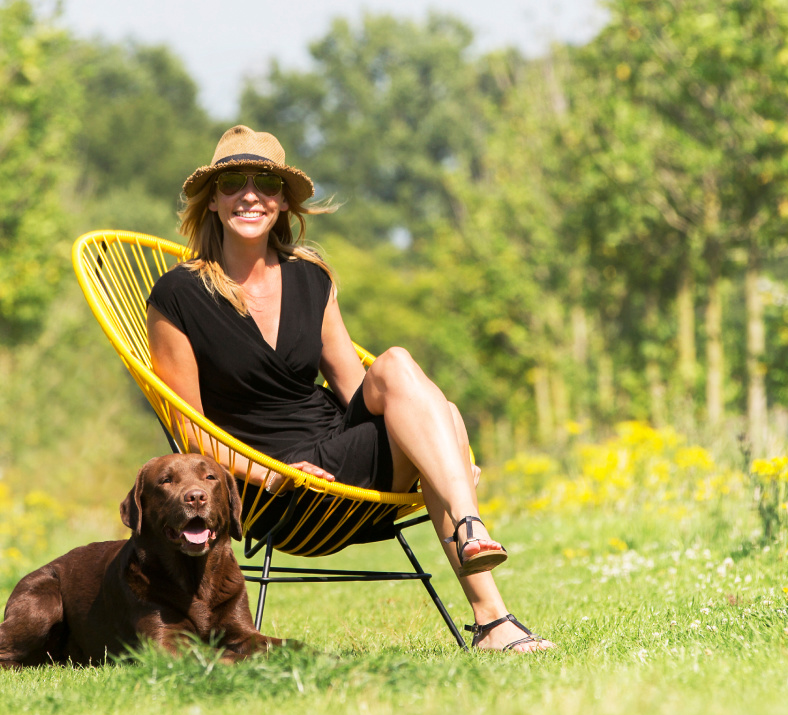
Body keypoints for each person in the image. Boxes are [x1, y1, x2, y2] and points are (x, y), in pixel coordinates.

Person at [145, 125, 552, 653]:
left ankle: (473, 542)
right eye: (233, 183)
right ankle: (492, 615)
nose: (250, 193)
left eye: (266, 181)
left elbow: (360, 388)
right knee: (440, 417)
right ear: (213, 201)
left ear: (284, 200)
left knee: (400, 366)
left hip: (337, 448)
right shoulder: (178, 294)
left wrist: (441, 437)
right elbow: (187, 429)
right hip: (273, 485)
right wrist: (267, 473)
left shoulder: (312, 278)